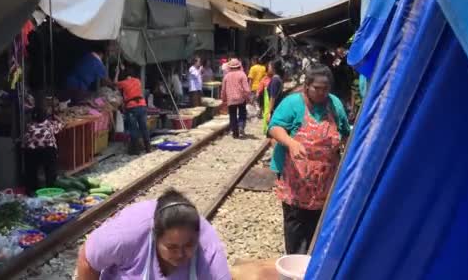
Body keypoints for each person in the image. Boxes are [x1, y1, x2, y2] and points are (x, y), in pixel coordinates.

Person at [268, 63, 351, 254]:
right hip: (295, 181)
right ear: (307, 86)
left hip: (325, 182)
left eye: (326, 89)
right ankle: (295, 263)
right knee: (297, 228)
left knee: (319, 228)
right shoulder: (292, 103)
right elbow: (274, 128)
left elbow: (345, 133)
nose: (322, 93)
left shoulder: (334, 104)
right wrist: (291, 143)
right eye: (317, 89)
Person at [77, 188, 232, 280]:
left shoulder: (209, 249)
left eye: (189, 245)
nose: (180, 254)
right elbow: (87, 259)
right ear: (155, 236)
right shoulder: (124, 235)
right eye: (172, 247)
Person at [23, 107, 64, 194]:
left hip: (32, 152)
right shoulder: (50, 125)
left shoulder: (29, 126)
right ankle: (51, 189)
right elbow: (62, 124)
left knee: (31, 171)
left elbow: (25, 140)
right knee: (50, 171)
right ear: (46, 117)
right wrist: (56, 117)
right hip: (48, 151)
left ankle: (32, 190)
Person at [115, 66, 151, 155]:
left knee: (133, 128)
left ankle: (136, 150)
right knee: (143, 127)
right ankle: (148, 148)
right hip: (142, 105)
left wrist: (117, 72)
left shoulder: (124, 83)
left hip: (132, 107)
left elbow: (114, 83)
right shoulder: (138, 81)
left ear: (125, 76)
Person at [221, 59, 250, 138]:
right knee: (242, 113)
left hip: (231, 99)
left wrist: (223, 99)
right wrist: (248, 97)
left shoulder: (226, 76)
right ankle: (241, 126)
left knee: (232, 115)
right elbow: (246, 89)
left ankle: (235, 132)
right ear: (239, 66)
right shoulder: (242, 74)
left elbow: (223, 89)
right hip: (241, 98)